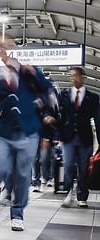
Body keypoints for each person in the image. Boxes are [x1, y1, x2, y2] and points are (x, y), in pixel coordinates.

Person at [0, 33, 52, 231]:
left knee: (22, 173)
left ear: (14, 49)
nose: (4, 50)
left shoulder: (27, 72)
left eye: (7, 46)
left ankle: (17, 212)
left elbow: (47, 87)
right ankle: (7, 190)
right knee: (3, 168)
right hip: (4, 132)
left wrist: (34, 71)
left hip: (28, 131)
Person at [59, 67, 100, 208]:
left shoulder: (93, 97)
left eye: (75, 75)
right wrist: (59, 136)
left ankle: (82, 196)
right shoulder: (64, 95)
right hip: (68, 137)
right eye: (70, 76)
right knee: (68, 165)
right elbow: (61, 117)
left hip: (85, 137)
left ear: (82, 77)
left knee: (83, 169)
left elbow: (98, 118)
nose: (72, 78)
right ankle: (68, 193)